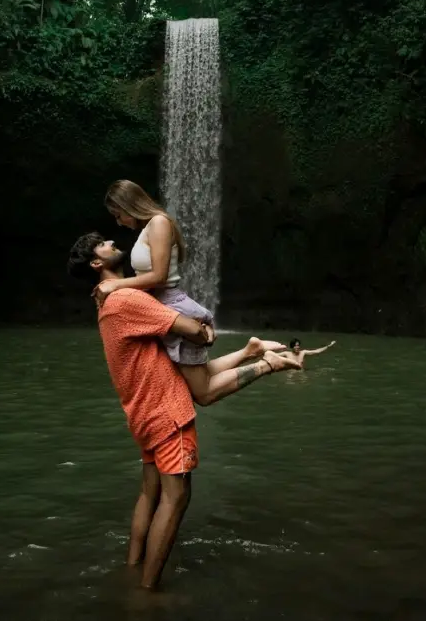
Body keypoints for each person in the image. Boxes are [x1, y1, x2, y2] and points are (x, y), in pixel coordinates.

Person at [67, 232, 301, 590]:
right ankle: (146, 593)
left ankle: (133, 567)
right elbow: (192, 329)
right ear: (96, 264)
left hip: (143, 412)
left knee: (150, 493)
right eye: (102, 243)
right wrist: (206, 332)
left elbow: (192, 371)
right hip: (166, 412)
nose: (112, 241)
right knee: (176, 498)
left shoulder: (108, 303)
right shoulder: (127, 297)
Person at [94, 179, 283, 406]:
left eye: (118, 214)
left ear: (128, 205)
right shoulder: (149, 228)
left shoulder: (159, 223)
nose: (119, 222)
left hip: (173, 305)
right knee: (196, 377)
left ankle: (267, 364)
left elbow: (159, 277)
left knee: (203, 393)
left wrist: (116, 285)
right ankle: (251, 350)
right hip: (162, 307)